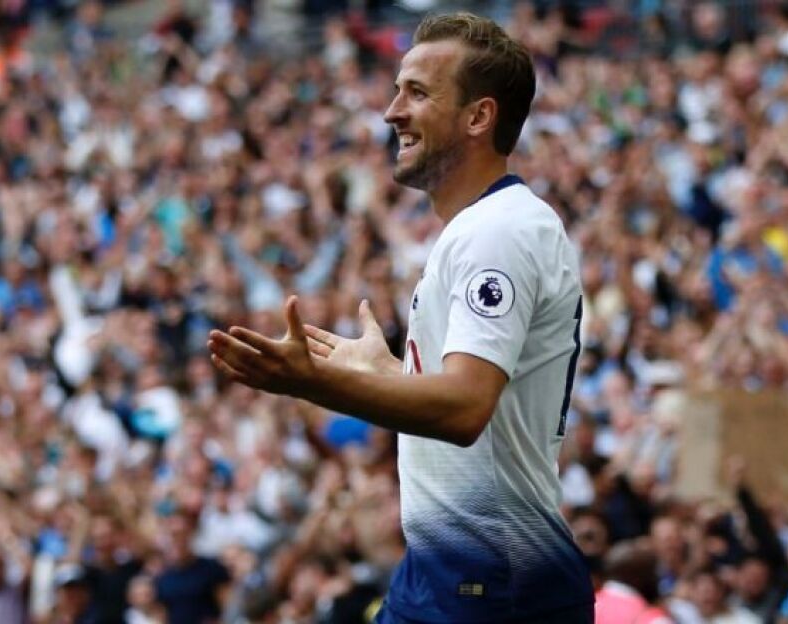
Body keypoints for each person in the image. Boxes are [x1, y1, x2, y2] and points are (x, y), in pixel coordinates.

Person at [208, 12, 594, 624]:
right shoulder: (480, 228)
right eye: (397, 90)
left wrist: (313, 383)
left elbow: (466, 408)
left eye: (416, 93)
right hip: (447, 573)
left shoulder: (497, 232)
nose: (392, 112)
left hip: (492, 582)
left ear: (478, 117)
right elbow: (479, 404)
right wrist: (388, 374)